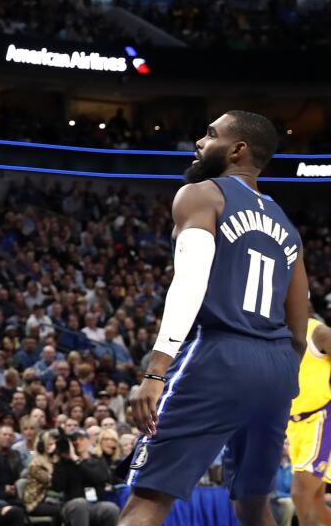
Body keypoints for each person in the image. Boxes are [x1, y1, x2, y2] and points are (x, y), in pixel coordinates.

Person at [122, 112, 306, 526]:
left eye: (210, 135)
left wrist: (155, 373)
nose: (199, 143)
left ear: (238, 149)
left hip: (222, 353)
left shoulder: (202, 194)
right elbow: (299, 319)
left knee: (148, 498)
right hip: (277, 366)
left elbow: (189, 283)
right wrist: (281, 373)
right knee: (253, 507)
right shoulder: (288, 226)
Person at [283, 313, 331, 526]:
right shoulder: (272, 336)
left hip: (320, 420)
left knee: (300, 495)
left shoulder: (318, 332)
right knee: (315, 499)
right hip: (294, 425)